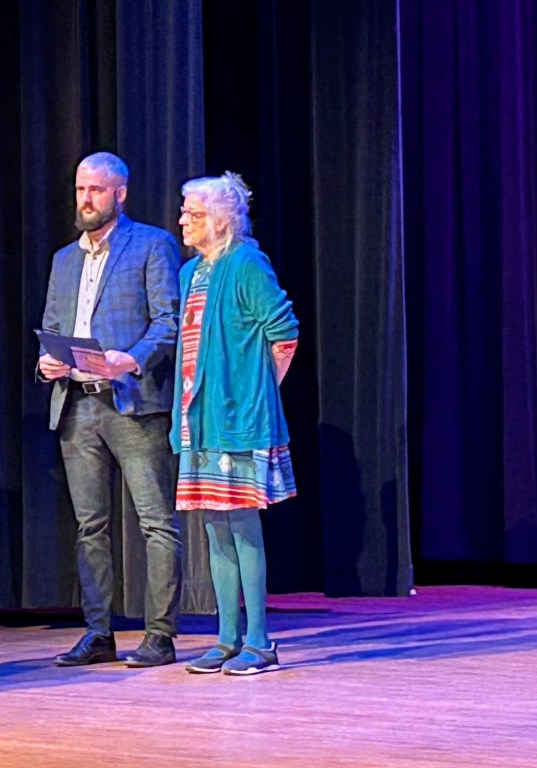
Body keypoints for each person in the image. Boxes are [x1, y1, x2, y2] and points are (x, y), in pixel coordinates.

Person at [38, 151, 183, 668]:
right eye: (80, 189)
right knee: (90, 527)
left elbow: (167, 322)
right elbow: (52, 326)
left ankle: (160, 635)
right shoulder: (64, 259)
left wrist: (131, 358)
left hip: (132, 404)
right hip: (77, 405)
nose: (86, 199)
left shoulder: (150, 244)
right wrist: (46, 364)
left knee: (155, 523)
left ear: (119, 194)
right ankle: (98, 633)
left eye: (96, 190)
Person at [171, 172, 298, 676]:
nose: (183, 220)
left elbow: (284, 334)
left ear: (221, 221)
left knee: (243, 525)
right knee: (213, 527)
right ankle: (226, 637)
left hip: (239, 420)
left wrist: (256, 395)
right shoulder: (190, 272)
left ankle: (260, 641)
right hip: (199, 419)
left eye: (193, 214)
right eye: (184, 212)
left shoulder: (246, 263)